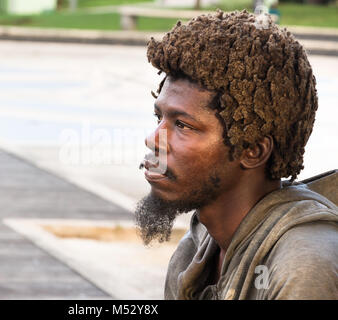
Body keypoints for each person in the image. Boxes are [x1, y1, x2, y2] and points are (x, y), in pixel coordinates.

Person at [135, 10, 337, 299]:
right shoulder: (196, 250)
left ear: (253, 150)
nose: (154, 140)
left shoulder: (304, 266)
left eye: (182, 125)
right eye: (159, 119)